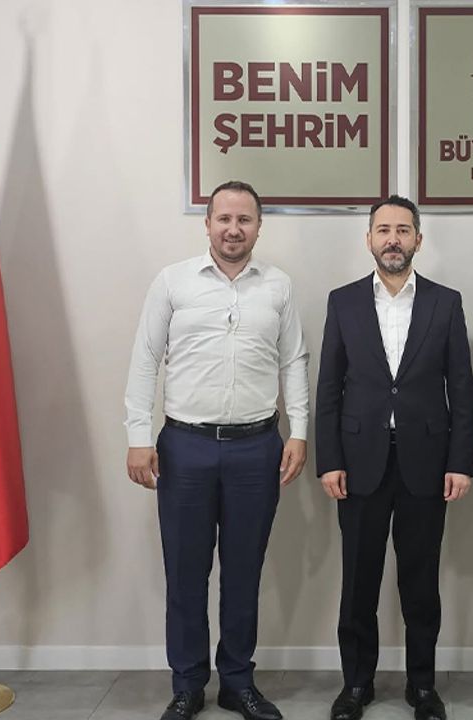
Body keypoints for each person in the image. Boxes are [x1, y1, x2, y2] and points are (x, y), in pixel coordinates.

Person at [124, 180, 309, 720]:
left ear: (258, 227)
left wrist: (299, 431)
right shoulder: (172, 282)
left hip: (257, 449)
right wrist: (138, 437)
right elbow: (144, 360)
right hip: (185, 448)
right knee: (186, 572)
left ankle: (237, 682)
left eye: (244, 220)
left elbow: (293, 361)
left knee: (243, 572)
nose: (233, 229)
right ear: (207, 224)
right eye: (223, 219)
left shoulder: (278, 286)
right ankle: (187, 684)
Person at [316, 195, 473, 720]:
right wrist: (329, 459)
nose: (393, 239)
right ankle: (356, 685)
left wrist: (460, 462)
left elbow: (462, 390)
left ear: (418, 240)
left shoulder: (445, 303)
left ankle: (422, 687)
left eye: (403, 230)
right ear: (368, 239)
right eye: (383, 229)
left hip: (426, 464)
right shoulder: (343, 302)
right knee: (358, 583)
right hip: (358, 463)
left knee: (420, 583)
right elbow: (329, 388)